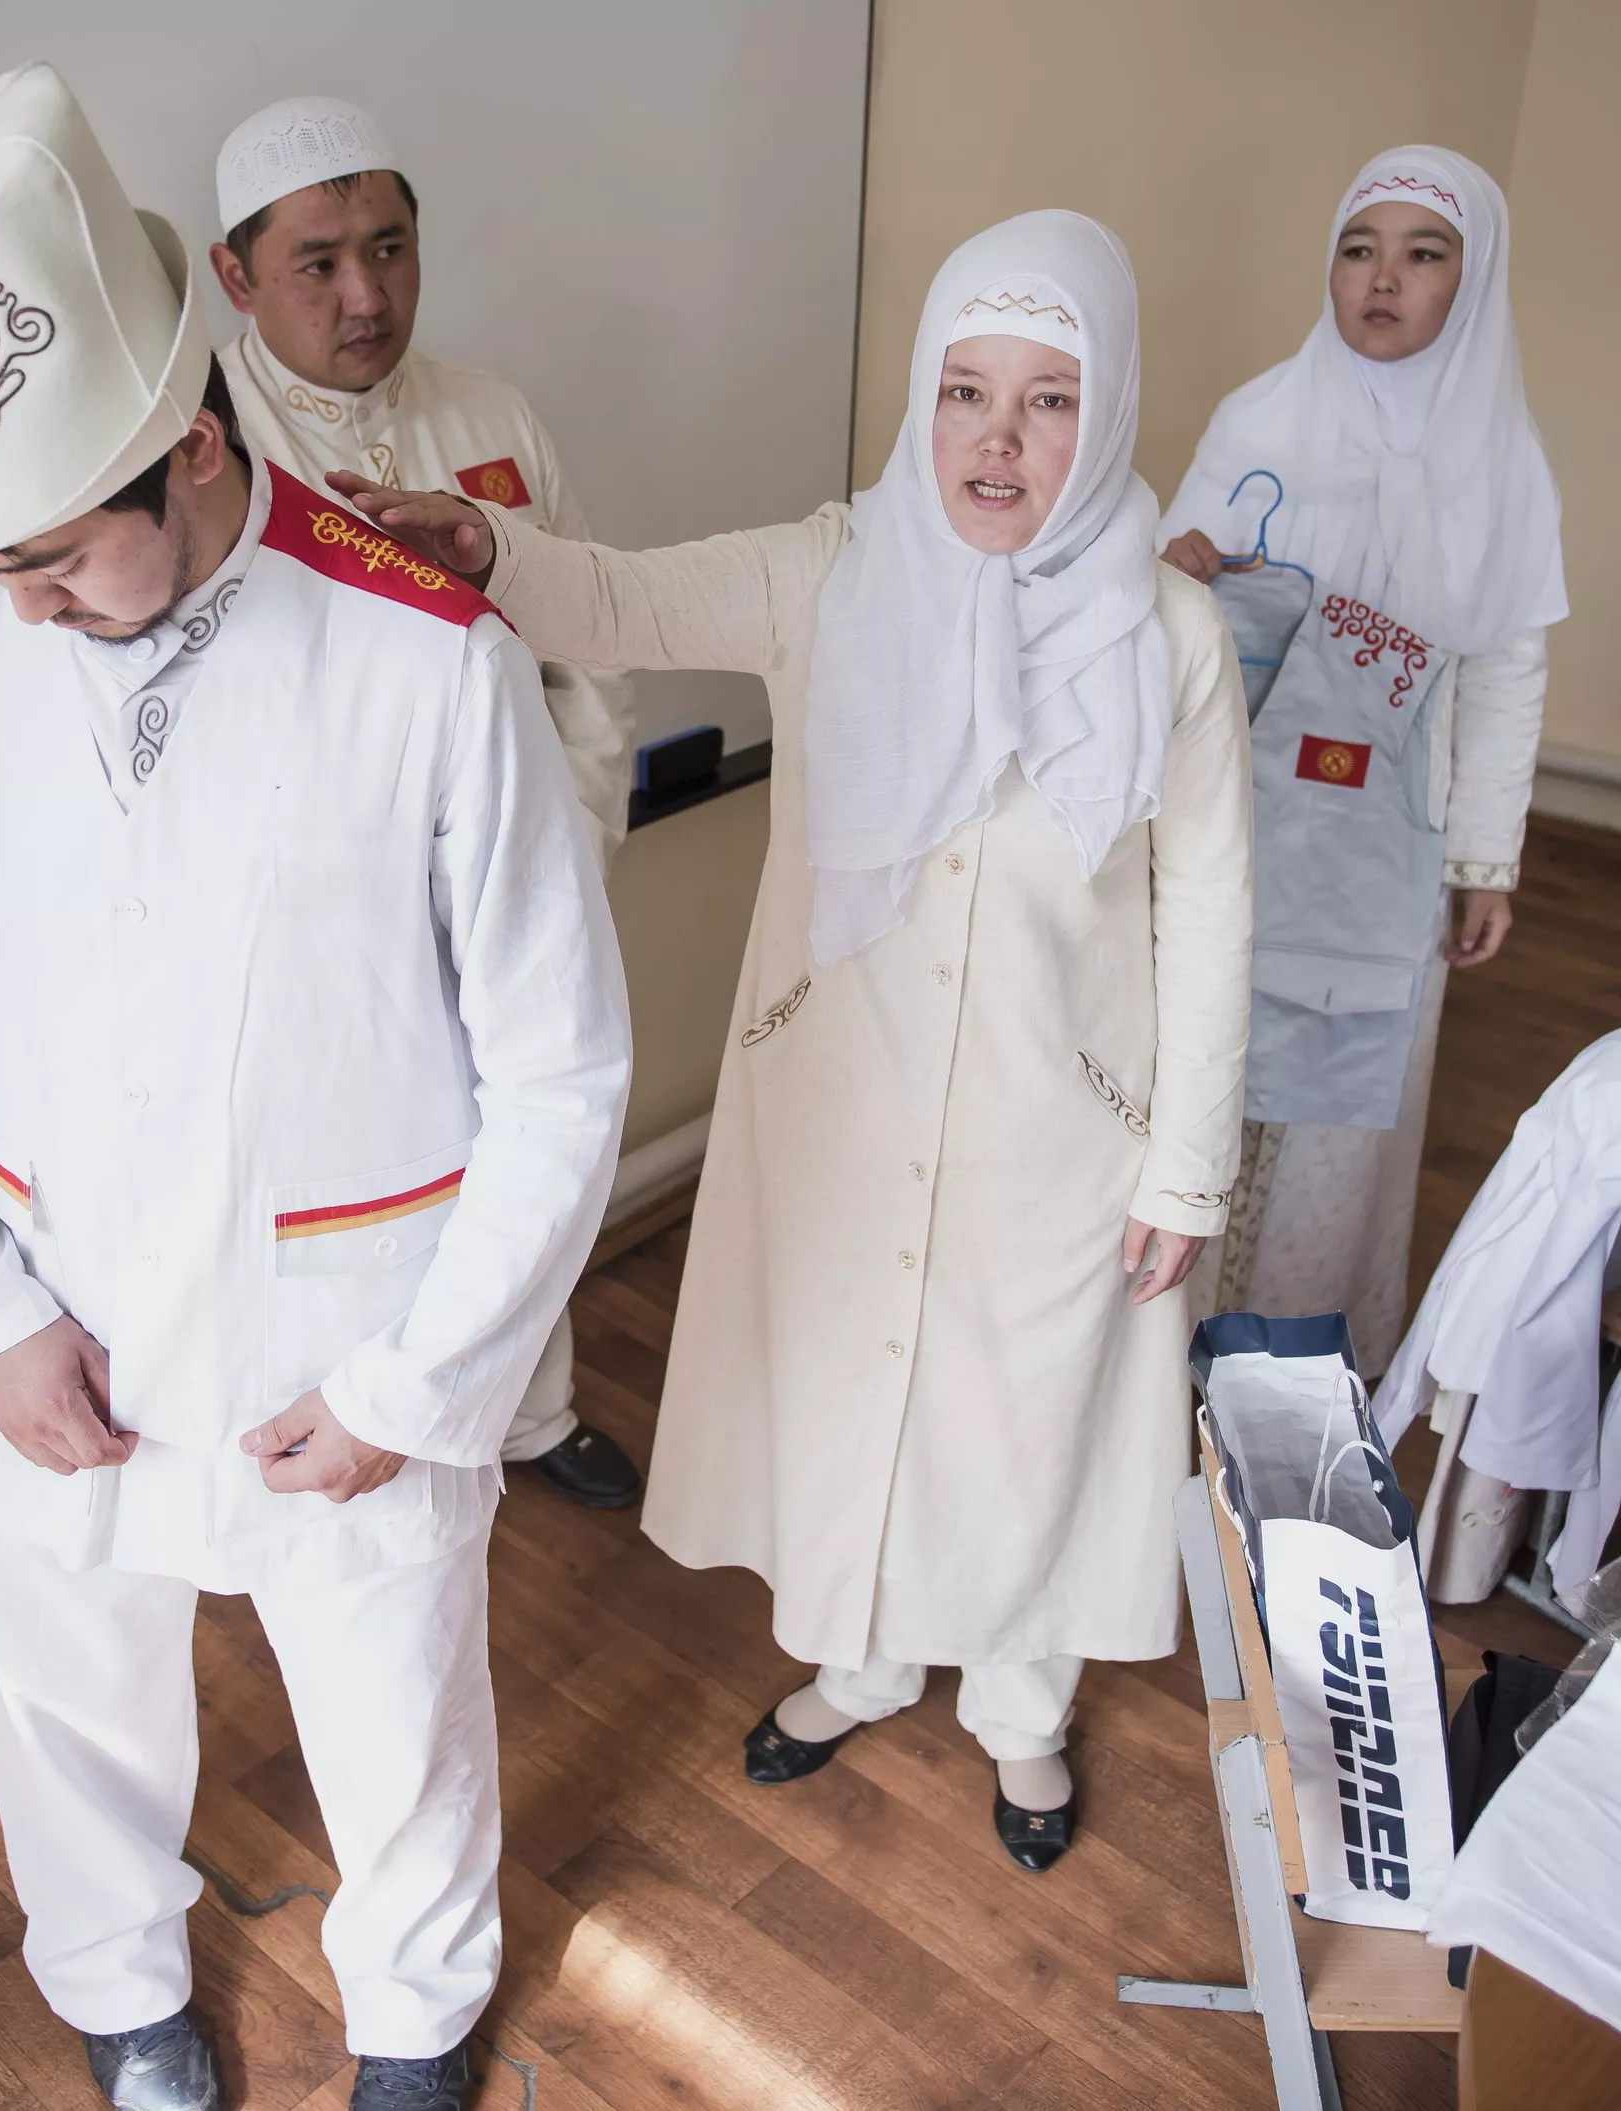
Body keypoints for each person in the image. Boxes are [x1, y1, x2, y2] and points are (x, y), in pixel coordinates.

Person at [0, 64, 628, 2111]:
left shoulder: (427, 660)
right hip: (53, 1305)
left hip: (348, 1332)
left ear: (189, 443)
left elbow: (562, 1066)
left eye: (61, 555)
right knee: (71, 1682)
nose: (22, 602)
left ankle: (414, 2012)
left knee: (393, 1699)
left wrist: (417, 1382)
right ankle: (116, 1976)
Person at [333, 212, 1254, 1871]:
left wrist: (1188, 1164)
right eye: (965, 390)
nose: (996, 438)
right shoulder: (836, 568)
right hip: (848, 1096)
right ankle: (864, 1655)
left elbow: (1212, 909)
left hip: (1066, 1119)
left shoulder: (1172, 637)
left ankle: (1023, 1710)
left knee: (1025, 1418)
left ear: (1109, 410)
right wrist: (484, 551)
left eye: (1049, 401)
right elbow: (623, 597)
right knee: (857, 1388)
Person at [209, 96, 642, 1512]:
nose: (367, 295)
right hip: (337, 919)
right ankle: (354, 1431)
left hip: (521, 877)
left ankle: (531, 1412)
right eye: (319, 262)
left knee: (535, 1139)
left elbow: (591, 657)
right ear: (234, 276)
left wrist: (569, 853)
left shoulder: (489, 413)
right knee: (373, 1192)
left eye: (390, 249)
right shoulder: (206, 449)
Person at [1160, 146, 1565, 1371]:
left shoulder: (1501, 464)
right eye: (1358, 248)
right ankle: (1162, 1340)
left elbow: (1504, 674)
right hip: (1242, 814)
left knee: (1336, 1109)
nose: (1382, 279)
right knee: (1206, 1055)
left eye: (1422, 254)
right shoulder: (1259, 419)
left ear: (1471, 283)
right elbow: (1176, 614)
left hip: (1387, 840)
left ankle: (1286, 1354)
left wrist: (1485, 860)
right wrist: (1175, 574)